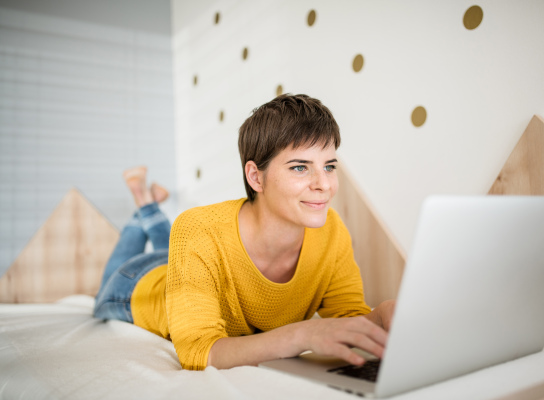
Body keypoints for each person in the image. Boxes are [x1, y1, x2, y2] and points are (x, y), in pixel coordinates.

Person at [94, 94, 396, 371]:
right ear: (255, 177)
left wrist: (378, 317)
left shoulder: (332, 230)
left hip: (189, 264)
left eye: (329, 166)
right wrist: (300, 335)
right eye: (300, 167)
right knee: (107, 287)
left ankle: (147, 203)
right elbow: (199, 351)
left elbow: (347, 321)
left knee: (172, 247)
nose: (324, 184)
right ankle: (144, 207)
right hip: (138, 283)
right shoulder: (196, 228)